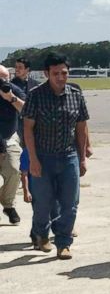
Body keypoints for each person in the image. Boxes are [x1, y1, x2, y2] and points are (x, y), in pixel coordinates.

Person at [21, 53, 90, 259]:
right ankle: (41, 233)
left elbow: (82, 127)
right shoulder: (35, 95)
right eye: (56, 73)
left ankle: (63, 242)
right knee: (43, 202)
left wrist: (83, 157)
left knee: (70, 203)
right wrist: (32, 159)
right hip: (42, 157)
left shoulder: (76, 95)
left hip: (68, 156)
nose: (61, 77)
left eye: (64, 73)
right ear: (46, 74)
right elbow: (27, 130)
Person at [0, 64, 27, 226]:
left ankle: (8, 204)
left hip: (8, 136)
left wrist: (10, 97)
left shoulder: (12, 90)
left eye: (5, 77)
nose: (2, 81)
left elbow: (27, 109)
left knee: (14, 170)